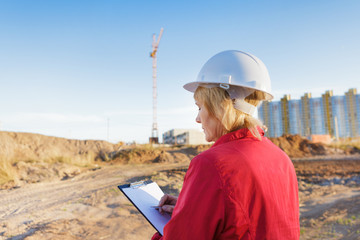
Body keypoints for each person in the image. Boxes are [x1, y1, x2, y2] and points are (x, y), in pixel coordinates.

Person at [151, 50, 300, 240]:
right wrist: (188, 209)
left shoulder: (212, 164)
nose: (197, 119)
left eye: (199, 107)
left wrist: (170, 229)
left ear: (221, 105)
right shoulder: (281, 158)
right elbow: (249, 220)